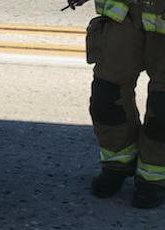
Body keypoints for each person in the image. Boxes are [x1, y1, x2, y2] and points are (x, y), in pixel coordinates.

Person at [69, 0, 165, 208]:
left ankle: (153, 178)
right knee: (107, 96)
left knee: (162, 108)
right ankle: (117, 164)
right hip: (125, 14)